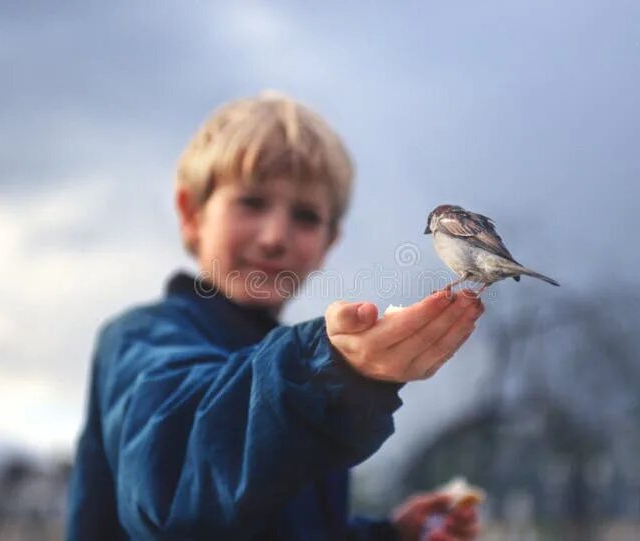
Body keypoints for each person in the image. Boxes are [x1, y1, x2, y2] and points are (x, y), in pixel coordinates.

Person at [66, 92, 484, 540]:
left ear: (329, 243)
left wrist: (389, 537)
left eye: (305, 216)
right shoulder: (139, 341)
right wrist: (324, 373)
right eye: (251, 202)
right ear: (191, 214)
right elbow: (175, 490)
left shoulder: (303, 384)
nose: (274, 237)